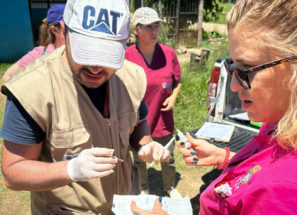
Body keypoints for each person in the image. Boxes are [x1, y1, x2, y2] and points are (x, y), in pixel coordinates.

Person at [131, 0, 297, 214]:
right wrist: (225, 158)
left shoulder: (296, 194)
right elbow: (269, 165)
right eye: (231, 66)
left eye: (246, 69)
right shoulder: (288, 118)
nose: (234, 85)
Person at [0, 0, 171, 214]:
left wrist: (145, 144)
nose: (96, 67)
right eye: (86, 52)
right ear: (65, 31)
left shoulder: (131, 76)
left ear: (125, 41)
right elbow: (13, 172)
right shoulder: (32, 89)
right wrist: (69, 169)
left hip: (125, 207)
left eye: (107, 55)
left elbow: (138, 123)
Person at [125, 7, 182, 197]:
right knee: (139, 159)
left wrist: (173, 97)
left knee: (168, 157)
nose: (154, 31)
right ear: (136, 30)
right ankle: (143, 188)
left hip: (163, 118)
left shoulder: (169, 53)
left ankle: (170, 187)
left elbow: (177, 80)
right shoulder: (126, 56)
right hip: (138, 121)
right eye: (148, 27)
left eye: (156, 26)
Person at [2, 4, 66, 82]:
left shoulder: (78, 53)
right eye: (69, 27)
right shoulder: (39, 54)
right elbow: (8, 76)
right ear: (54, 30)